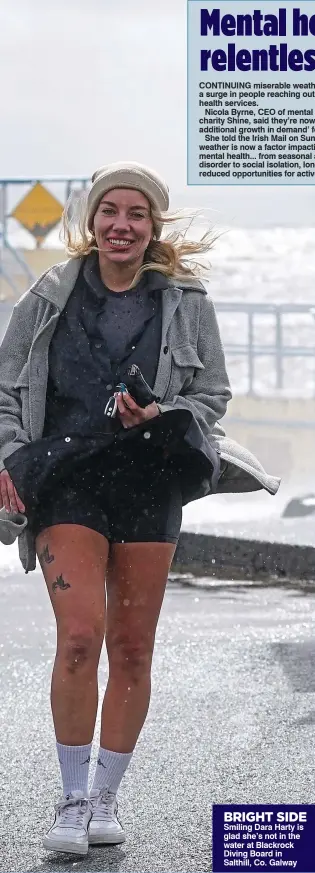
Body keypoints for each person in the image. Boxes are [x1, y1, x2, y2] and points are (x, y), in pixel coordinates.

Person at [0, 161, 280, 857]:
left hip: (149, 477)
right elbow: (6, 384)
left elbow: (212, 395)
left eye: (136, 214)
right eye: (109, 212)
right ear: (91, 222)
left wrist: (161, 411)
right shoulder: (48, 296)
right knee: (78, 637)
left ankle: (104, 797)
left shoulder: (185, 301)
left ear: (153, 225)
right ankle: (69, 798)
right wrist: (8, 455)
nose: (121, 225)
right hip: (64, 476)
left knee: (131, 646)